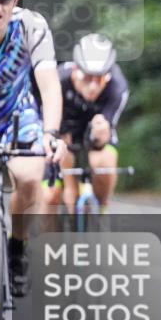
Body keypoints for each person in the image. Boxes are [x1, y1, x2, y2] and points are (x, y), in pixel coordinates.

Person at [0, 0, 66, 296]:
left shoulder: (31, 27)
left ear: (16, 0)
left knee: (31, 177)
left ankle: (17, 246)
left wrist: (51, 135)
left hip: (17, 116)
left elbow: (49, 85)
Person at [43, 33, 128, 215]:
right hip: (62, 131)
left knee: (104, 163)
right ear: (75, 69)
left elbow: (105, 134)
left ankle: (101, 209)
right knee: (50, 197)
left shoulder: (117, 86)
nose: (93, 86)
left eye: (99, 79)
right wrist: (71, 186)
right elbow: (50, 126)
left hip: (93, 131)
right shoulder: (59, 81)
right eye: (87, 77)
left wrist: (100, 134)